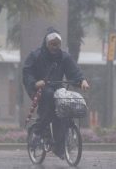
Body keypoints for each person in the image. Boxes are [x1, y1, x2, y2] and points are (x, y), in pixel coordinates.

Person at [22, 27, 89, 159]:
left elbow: (74, 71)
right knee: (49, 100)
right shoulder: (35, 55)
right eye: (52, 44)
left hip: (57, 88)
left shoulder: (64, 57)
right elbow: (27, 73)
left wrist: (82, 81)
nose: (55, 47)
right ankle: (38, 132)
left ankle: (59, 147)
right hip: (39, 89)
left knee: (63, 111)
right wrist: (35, 83)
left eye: (57, 44)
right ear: (46, 44)